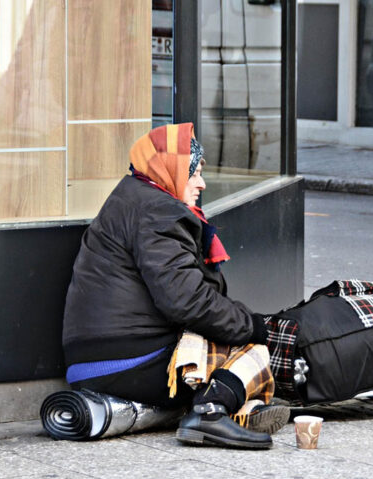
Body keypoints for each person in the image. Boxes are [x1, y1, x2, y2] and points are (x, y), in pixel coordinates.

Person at [61, 123, 288, 449]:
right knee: (253, 350)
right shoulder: (159, 211)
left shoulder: (135, 196)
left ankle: (241, 411)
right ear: (171, 170)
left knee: (224, 342)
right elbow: (187, 302)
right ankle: (210, 415)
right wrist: (252, 326)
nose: (201, 183)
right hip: (125, 362)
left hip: (100, 357)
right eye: (193, 173)